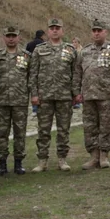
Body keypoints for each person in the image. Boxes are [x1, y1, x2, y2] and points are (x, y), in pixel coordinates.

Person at [29, 18, 81, 172]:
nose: (55, 30)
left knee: (63, 130)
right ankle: (42, 161)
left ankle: (62, 159)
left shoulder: (70, 50)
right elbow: (33, 74)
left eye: (57, 27)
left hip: (64, 97)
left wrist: (76, 93)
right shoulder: (39, 49)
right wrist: (34, 94)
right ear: (48, 31)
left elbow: (76, 73)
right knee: (43, 130)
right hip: (44, 97)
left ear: (62, 30)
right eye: (52, 28)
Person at [77, 19, 110, 169]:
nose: (96, 33)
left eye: (99, 31)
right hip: (88, 95)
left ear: (105, 32)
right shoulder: (84, 51)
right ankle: (93, 156)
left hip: (107, 95)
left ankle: (104, 155)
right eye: (94, 31)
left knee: (106, 126)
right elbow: (78, 73)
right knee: (90, 127)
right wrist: (77, 92)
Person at [0, 25, 32, 175]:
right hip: (2, 101)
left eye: (14, 36)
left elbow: (30, 77)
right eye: (8, 36)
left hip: (20, 101)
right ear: (4, 37)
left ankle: (19, 163)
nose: (11, 39)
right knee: (1, 133)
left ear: (19, 37)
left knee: (20, 133)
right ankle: (2, 163)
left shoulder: (26, 56)